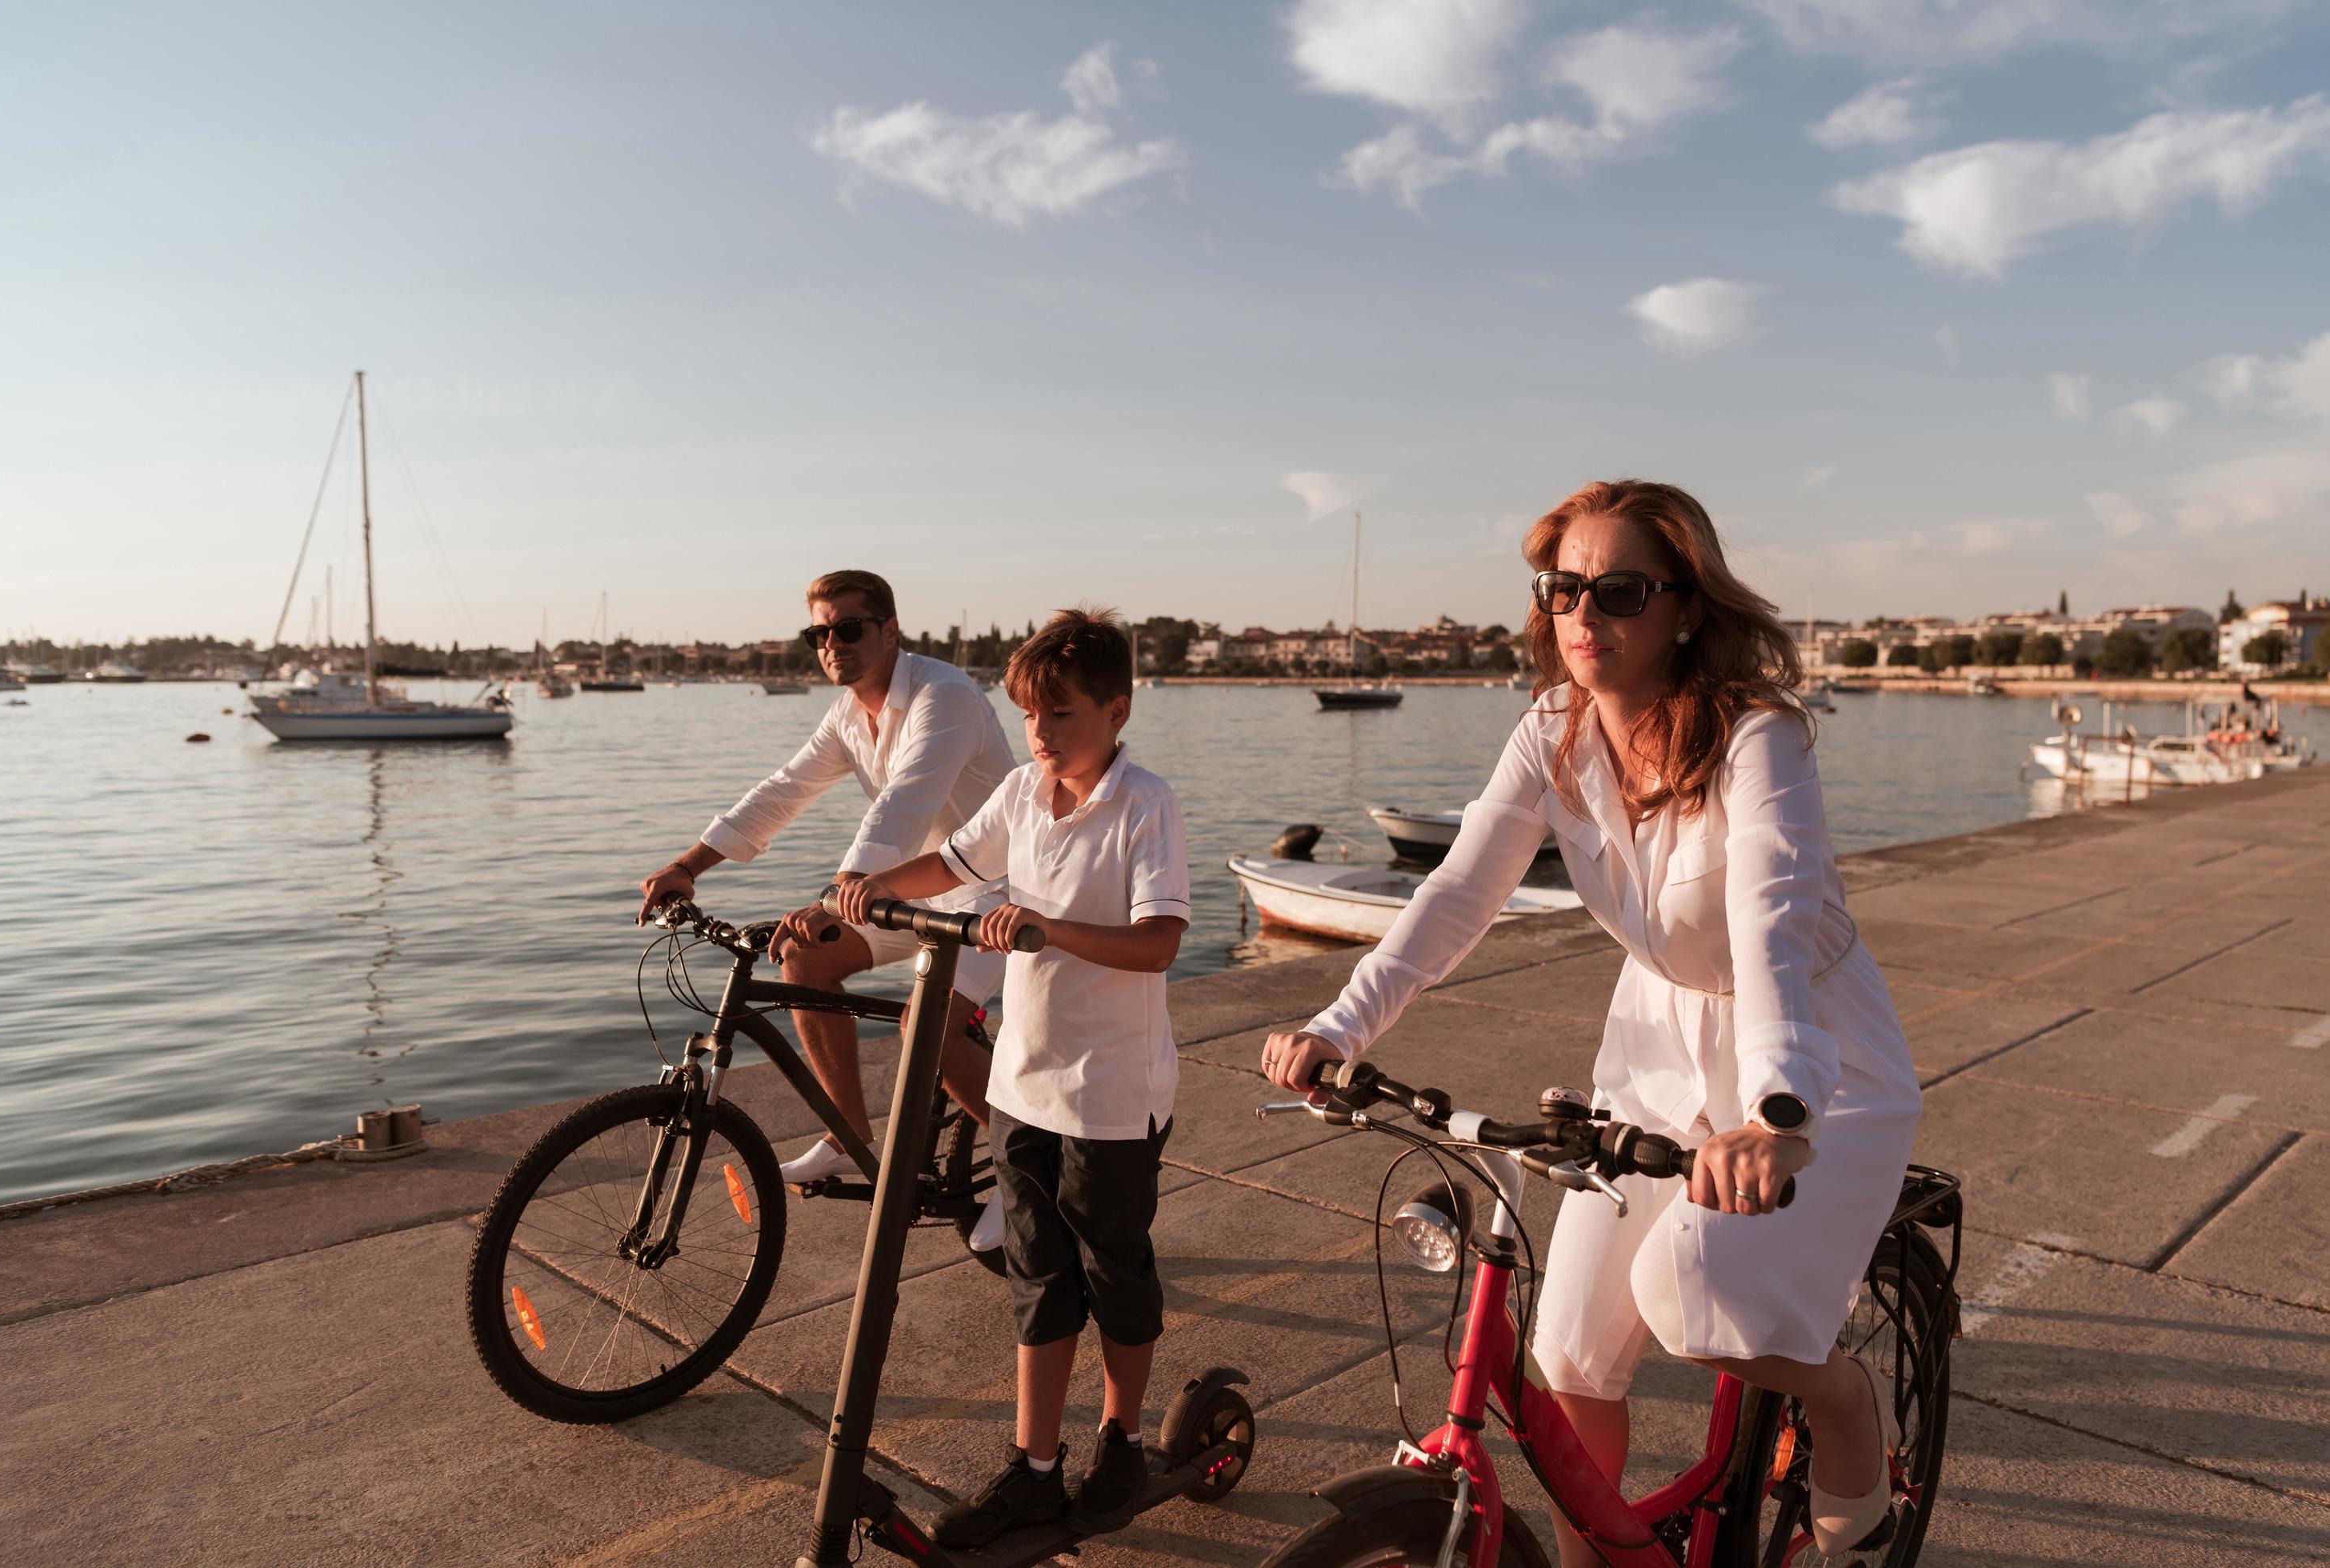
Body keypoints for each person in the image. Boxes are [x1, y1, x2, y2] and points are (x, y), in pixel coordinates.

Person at [1260, 481, 1924, 1563]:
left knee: (1692, 1294)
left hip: (1808, 1039)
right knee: (1565, 1355)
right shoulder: (1551, 731)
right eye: (1563, 588)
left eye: (1617, 591)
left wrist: (1779, 1112)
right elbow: (1457, 894)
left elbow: (1770, 917)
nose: (1582, 615)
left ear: (1686, 607)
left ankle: (1845, 1405)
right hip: (1656, 1046)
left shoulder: (1760, 738)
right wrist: (1341, 1029)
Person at [806, 608, 1190, 1546]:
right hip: (1023, 1087)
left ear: (1116, 708)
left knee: (1116, 1275)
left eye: (1060, 715)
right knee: (1036, 1275)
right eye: (1029, 716)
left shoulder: (1146, 804)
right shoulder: (1022, 792)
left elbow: (1159, 942)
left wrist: (1043, 928)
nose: (1041, 734)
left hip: (1112, 1093)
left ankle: (1124, 1438)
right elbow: (955, 862)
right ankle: (1035, 1467)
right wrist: (875, 888)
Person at [635, 570, 1017, 1252]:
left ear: (890, 630)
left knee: (925, 1028)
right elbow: (782, 791)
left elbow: (908, 800)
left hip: (994, 898)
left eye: (849, 628)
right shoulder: (849, 714)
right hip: (909, 894)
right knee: (802, 957)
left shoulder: (946, 695)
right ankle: (848, 1134)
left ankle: (1028, 1184)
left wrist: (833, 893)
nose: (833, 642)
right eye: (820, 632)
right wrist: (688, 865)